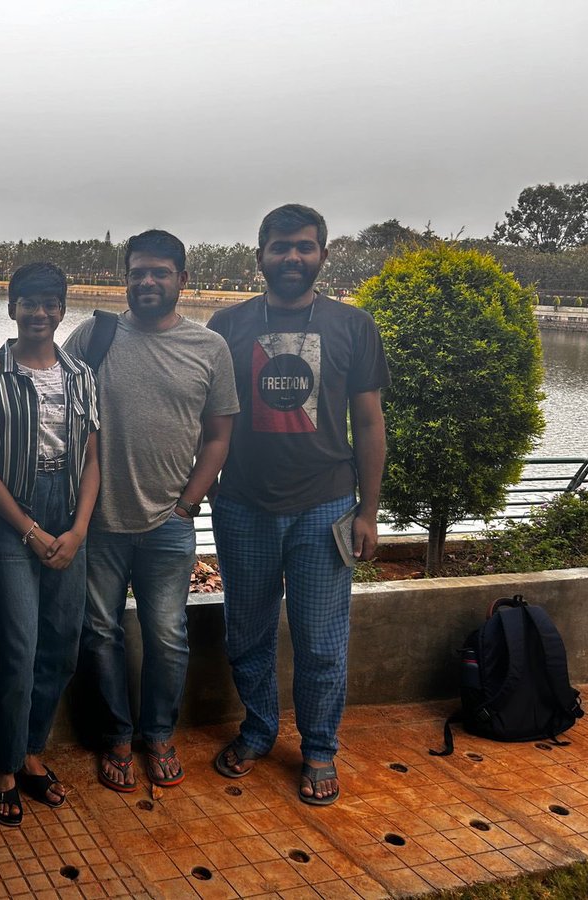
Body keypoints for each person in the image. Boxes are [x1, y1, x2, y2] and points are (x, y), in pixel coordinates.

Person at [0, 231, 238, 793]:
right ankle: (100, 740)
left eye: (160, 272)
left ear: (182, 280)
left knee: (163, 634)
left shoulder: (207, 347)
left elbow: (217, 435)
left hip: (154, 519)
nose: (148, 282)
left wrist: (188, 503)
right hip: (82, 522)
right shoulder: (98, 334)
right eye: (138, 272)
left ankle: (156, 735)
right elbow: (31, 371)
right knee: (87, 637)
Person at [208, 204, 389, 806]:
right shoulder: (226, 325)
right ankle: (259, 730)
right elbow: (203, 413)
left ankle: (318, 747)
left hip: (326, 506)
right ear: (259, 255)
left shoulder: (353, 326)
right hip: (242, 505)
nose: (292, 258)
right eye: (281, 247)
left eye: (304, 247)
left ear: (323, 255)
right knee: (248, 631)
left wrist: (368, 510)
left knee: (320, 639)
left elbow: (368, 421)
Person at [0, 262, 101, 826]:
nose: (39, 313)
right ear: (12, 306)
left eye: (49, 303)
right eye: (28, 302)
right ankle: (1, 765)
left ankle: (32, 751)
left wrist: (78, 530)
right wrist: (30, 530)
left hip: (69, 520)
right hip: (10, 522)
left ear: (62, 310)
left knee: (61, 647)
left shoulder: (82, 375)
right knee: (17, 651)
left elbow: (94, 458)